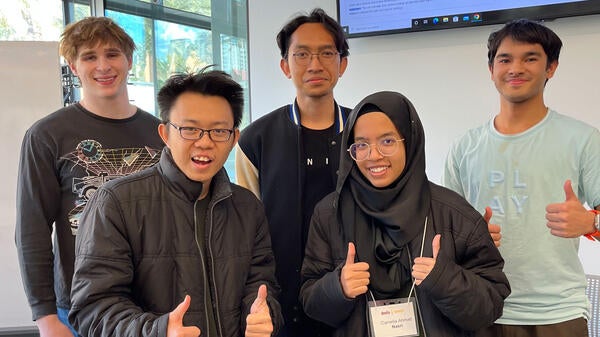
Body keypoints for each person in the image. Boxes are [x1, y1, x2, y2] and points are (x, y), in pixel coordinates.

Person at [68, 69, 283, 337]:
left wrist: (265, 313)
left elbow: (262, 284)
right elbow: (93, 309)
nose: (204, 142)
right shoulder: (117, 202)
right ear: (165, 134)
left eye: (218, 131)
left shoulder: (247, 206)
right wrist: (157, 331)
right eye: (189, 129)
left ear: (233, 139)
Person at [299, 91, 510, 336]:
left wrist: (444, 279)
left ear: (409, 141)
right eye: (361, 145)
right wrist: (338, 288)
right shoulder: (330, 213)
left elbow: (491, 305)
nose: (374, 155)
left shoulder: (453, 212)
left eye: (387, 141)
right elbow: (310, 300)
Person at [442, 19, 600, 337]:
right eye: (505, 59)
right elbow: (444, 233)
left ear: (551, 68)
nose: (516, 68)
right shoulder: (463, 147)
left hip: (559, 312)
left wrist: (590, 224)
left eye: (530, 58)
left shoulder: (584, 140)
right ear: (491, 69)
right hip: (481, 308)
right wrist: (466, 240)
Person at [15, 17, 164, 337]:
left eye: (112, 54)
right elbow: (32, 230)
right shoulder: (47, 135)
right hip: (80, 307)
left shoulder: (161, 133)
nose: (103, 66)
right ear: (72, 64)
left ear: (129, 60)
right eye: (89, 56)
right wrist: (45, 317)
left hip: (155, 305)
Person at [235, 8, 350, 337]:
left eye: (327, 53)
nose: (315, 64)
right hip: (281, 303)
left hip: (354, 295)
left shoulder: (364, 131)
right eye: (301, 54)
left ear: (342, 63)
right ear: (286, 66)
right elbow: (246, 228)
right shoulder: (255, 140)